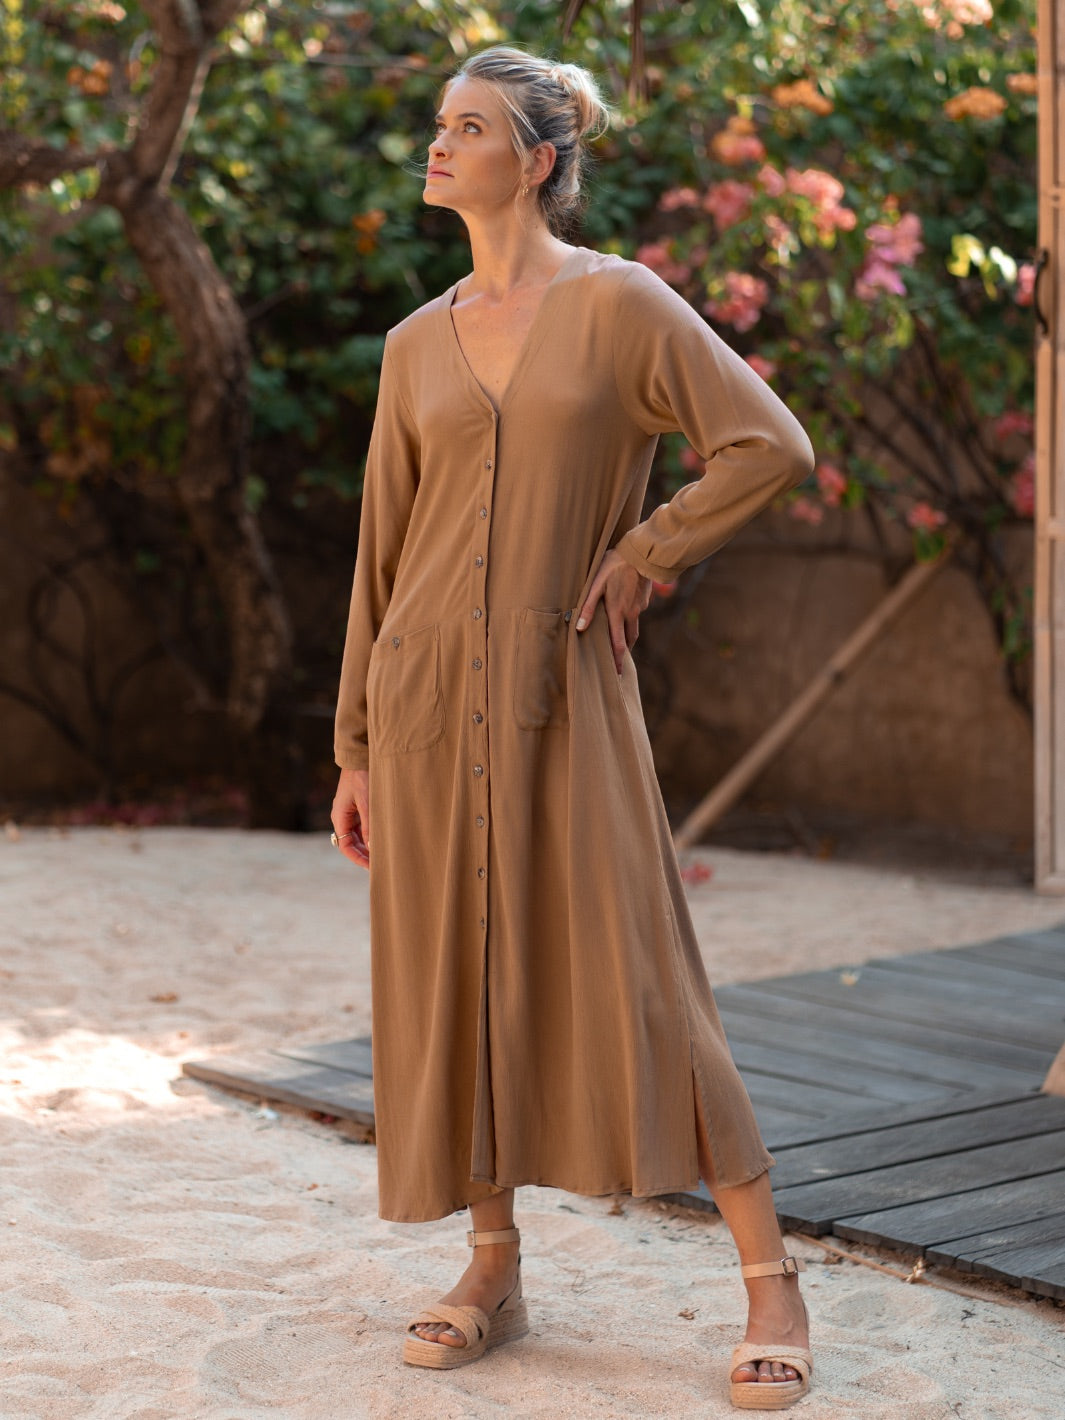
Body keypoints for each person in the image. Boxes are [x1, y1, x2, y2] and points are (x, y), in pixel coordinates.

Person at [331, 45, 815, 1410]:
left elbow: (766, 444)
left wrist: (648, 551)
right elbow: (382, 553)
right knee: (459, 977)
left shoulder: (621, 308)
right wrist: (354, 747)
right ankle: (491, 1264)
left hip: (564, 693)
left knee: (644, 976)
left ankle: (768, 1282)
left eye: (468, 128)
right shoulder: (413, 344)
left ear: (537, 160)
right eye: (438, 124)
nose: (438, 146)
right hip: (424, 703)